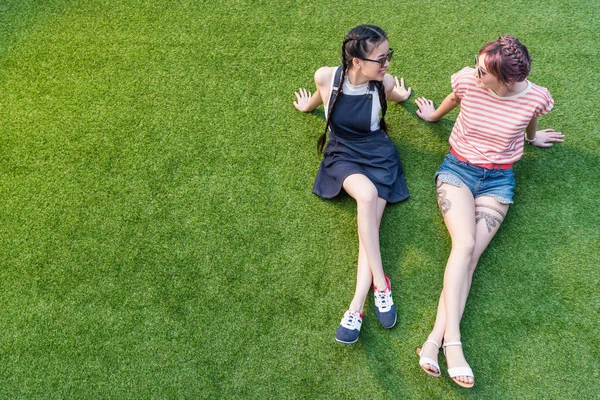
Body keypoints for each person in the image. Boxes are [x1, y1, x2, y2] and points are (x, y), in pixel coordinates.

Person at [414, 35, 564, 387]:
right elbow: (456, 97)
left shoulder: (536, 98)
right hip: (458, 171)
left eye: (484, 71)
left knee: (470, 257)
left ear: (508, 79)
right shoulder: (469, 79)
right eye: (477, 65)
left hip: (499, 182)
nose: (475, 73)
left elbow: (528, 118)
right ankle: (453, 345)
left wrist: (531, 139)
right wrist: (434, 115)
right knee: (463, 247)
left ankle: (433, 340)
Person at [293, 25, 412, 344]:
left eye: (389, 55)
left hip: (378, 154)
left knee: (368, 229)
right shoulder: (326, 76)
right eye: (381, 58)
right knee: (368, 195)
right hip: (342, 152)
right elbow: (321, 96)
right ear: (357, 61)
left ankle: (356, 307)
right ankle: (381, 285)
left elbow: (396, 93)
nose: (387, 64)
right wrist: (307, 107)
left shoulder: (382, 83)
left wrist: (404, 95)